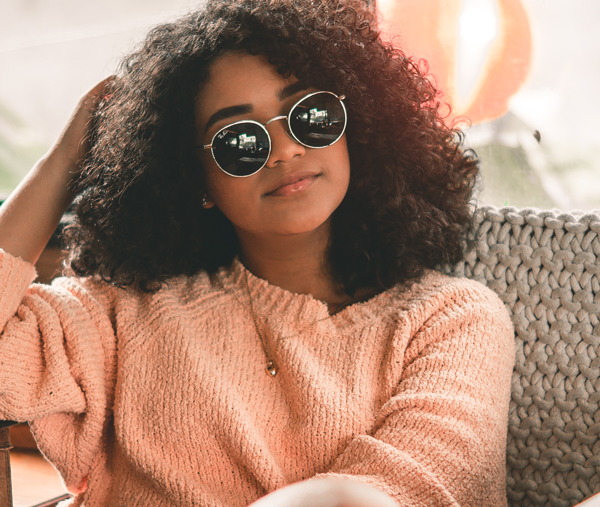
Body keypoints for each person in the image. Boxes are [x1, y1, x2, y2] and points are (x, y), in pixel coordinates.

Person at [0, 0, 516, 506]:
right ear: (195, 178)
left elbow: (405, 492)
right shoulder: (123, 312)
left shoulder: (453, 320)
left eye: (311, 116)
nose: (286, 150)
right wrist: (66, 159)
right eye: (240, 141)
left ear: (357, 128)